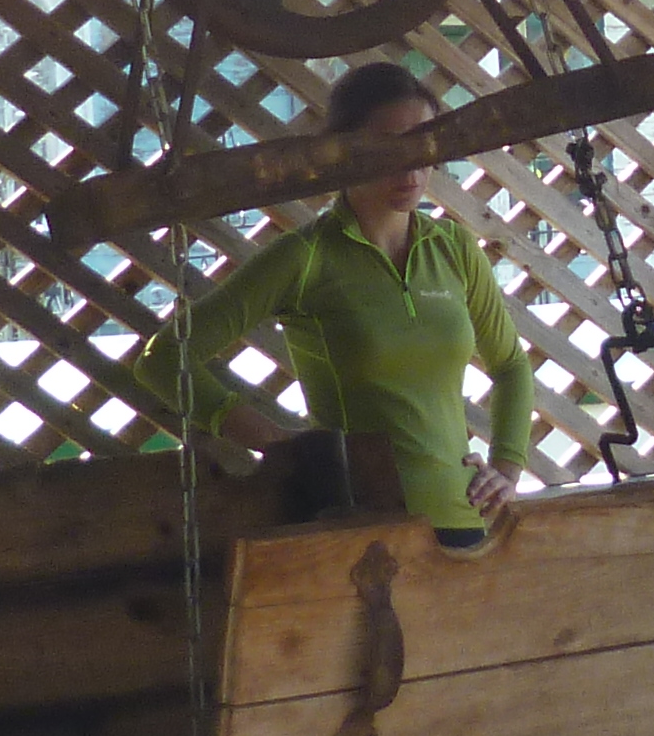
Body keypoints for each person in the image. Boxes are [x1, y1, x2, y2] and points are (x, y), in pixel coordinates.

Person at [136, 60, 528, 551]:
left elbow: (511, 365)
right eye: (389, 148)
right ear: (343, 150)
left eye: (423, 146)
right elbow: (163, 358)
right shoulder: (305, 257)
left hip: (465, 519)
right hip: (362, 529)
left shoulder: (454, 248)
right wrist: (276, 442)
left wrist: (506, 467)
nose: (411, 170)